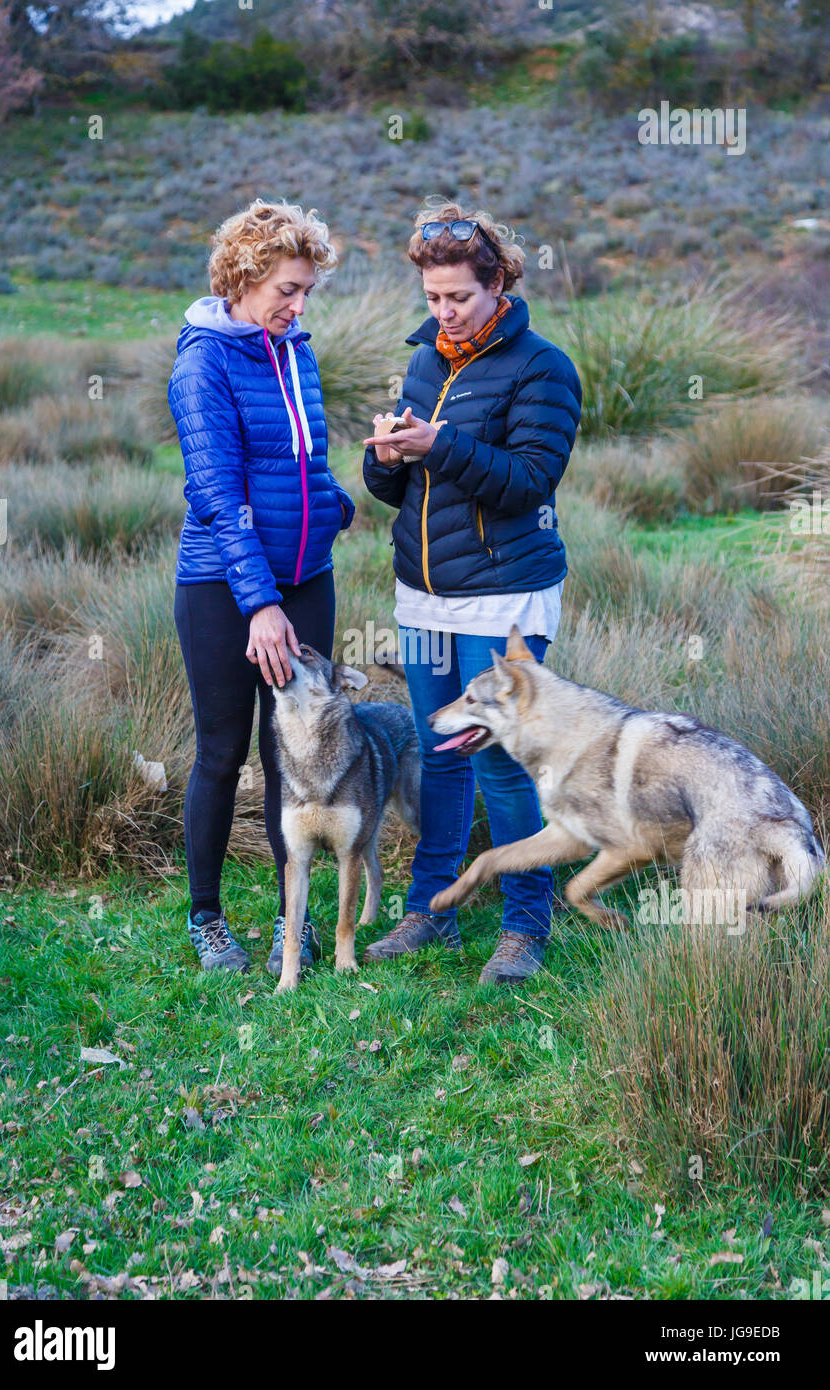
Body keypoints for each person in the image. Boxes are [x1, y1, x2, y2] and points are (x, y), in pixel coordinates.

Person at [362, 202, 581, 984]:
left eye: (459, 297)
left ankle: (526, 926)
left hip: (506, 598)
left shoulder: (542, 367)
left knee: (501, 762)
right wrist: (387, 457)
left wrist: (442, 444)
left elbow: (528, 483)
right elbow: (404, 490)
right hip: (424, 596)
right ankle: (433, 912)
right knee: (439, 753)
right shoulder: (425, 362)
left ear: (499, 284)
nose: (445, 312)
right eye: (432, 299)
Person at [169, 199, 354, 975]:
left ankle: (294, 919)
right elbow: (217, 491)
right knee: (222, 751)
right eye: (288, 288)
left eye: (308, 290)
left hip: (307, 578)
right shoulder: (203, 361)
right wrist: (261, 604)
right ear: (243, 278)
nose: (299, 304)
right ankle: (207, 921)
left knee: (296, 756)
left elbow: (303, 460)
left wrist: (338, 503)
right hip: (224, 586)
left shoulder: (295, 349)